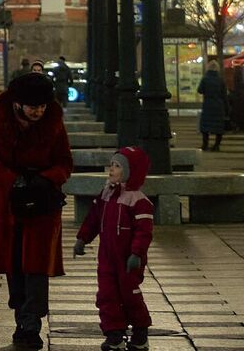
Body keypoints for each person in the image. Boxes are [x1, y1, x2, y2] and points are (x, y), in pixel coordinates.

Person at [0, 71, 73, 350]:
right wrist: (12, 181)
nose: (39, 111)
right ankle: (22, 319)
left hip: (42, 202)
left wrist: (45, 179)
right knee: (13, 263)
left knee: (36, 265)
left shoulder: (53, 121)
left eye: (42, 106)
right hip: (6, 202)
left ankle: (31, 324)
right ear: (18, 104)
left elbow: (65, 162)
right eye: (33, 107)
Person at [74, 146, 155, 351]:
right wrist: (82, 239)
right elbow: (93, 218)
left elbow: (143, 232)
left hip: (128, 259)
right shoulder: (106, 195)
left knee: (130, 295)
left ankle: (140, 332)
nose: (111, 169)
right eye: (111, 164)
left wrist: (136, 253)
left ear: (130, 171)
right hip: (107, 257)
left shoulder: (138, 201)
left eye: (117, 166)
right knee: (107, 294)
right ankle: (114, 334)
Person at [197, 65, 228, 151]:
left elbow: (199, 90)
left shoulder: (205, 79)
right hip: (218, 105)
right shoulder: (221, 80)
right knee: (219, 127)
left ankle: (205, 145)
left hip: (208, 105)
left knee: (205, 127)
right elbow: (224, 95)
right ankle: (216, 145)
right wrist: (227, 108)